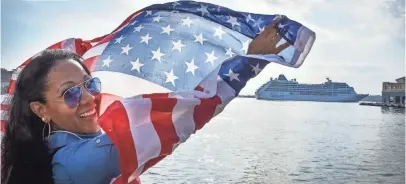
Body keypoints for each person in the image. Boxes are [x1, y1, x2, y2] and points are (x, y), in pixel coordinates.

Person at [1, 18, 290, 184]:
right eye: (70, 93)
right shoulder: (77, 163)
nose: (89, 97)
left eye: (90, 84)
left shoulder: (44, 155)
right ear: (40, 109)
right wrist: (248, 60)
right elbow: (175, 117)